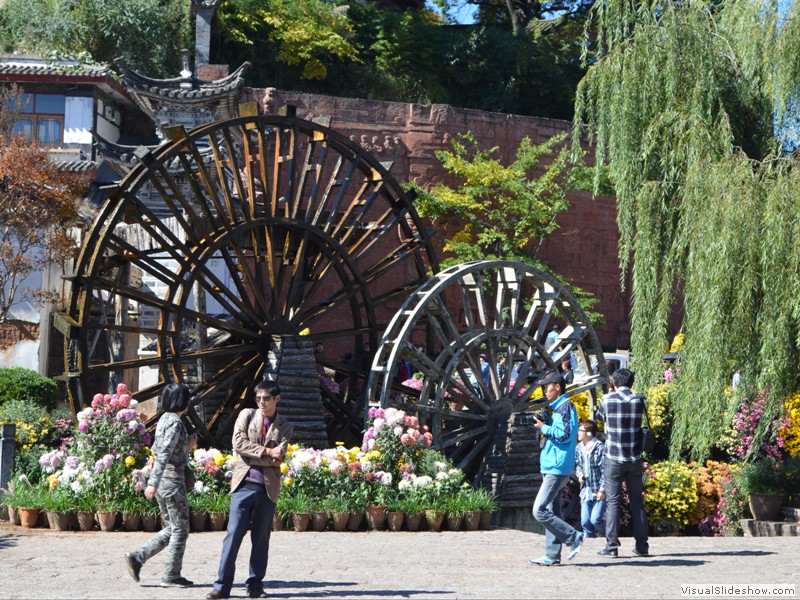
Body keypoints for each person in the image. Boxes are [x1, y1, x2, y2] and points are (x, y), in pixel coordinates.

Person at [207, 381, 294, 599]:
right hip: (243, 485)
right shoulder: (246, 415)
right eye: (258, 398)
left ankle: (255, 585)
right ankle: (222, 586)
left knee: (261, 538)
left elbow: (279, 458)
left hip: (268, 489)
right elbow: (238, 444)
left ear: (277, 399)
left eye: (266, 398)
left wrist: (256, 455)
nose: (261, 402)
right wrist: (266, 452)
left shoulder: (285, 426)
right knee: (233, 535)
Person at [125, 383, 197, 588]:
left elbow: (160, 449)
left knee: (172, 528)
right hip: (172, 482)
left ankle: (137, 558)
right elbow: (164, 454)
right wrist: (152, 483)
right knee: (181, 530)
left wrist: (188, 447)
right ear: (183, 401)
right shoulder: (175, 423)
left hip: (165, 482)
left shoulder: (165, 419)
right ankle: (171, 575)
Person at [529, 371, 584, 566]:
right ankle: (552, 555)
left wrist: (543, 427)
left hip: (557, 467)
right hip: (553, 465)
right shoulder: (558, 408)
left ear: (558, 387)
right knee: (554, 509)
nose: (544, 390)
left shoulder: (565, 406)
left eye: (547, 386)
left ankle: (573, 537)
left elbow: (565, 435)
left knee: (539, 510)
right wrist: (546, 424)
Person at [595, 368, 649, 558]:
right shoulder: (639, 400)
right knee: (637, 503)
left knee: (613, 503)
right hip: (634, 458)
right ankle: (642, 546)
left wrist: (609, 394)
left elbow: (599, 418)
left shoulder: (607, 399)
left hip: (613, 458)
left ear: (614, 383)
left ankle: (611, 547)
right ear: (632, 383)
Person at [575, 420, 605, 538]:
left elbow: (605, 471)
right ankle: (590, 548)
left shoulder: (599, 448)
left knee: (595, 520)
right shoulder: (579, 448)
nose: (578, 433)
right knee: (585, 523)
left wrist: (603, 490)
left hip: (598, 491)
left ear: (589, 433)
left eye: (580, 430)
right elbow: (578, 465)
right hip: (585, 492)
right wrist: (580, 475)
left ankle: (611, 539)